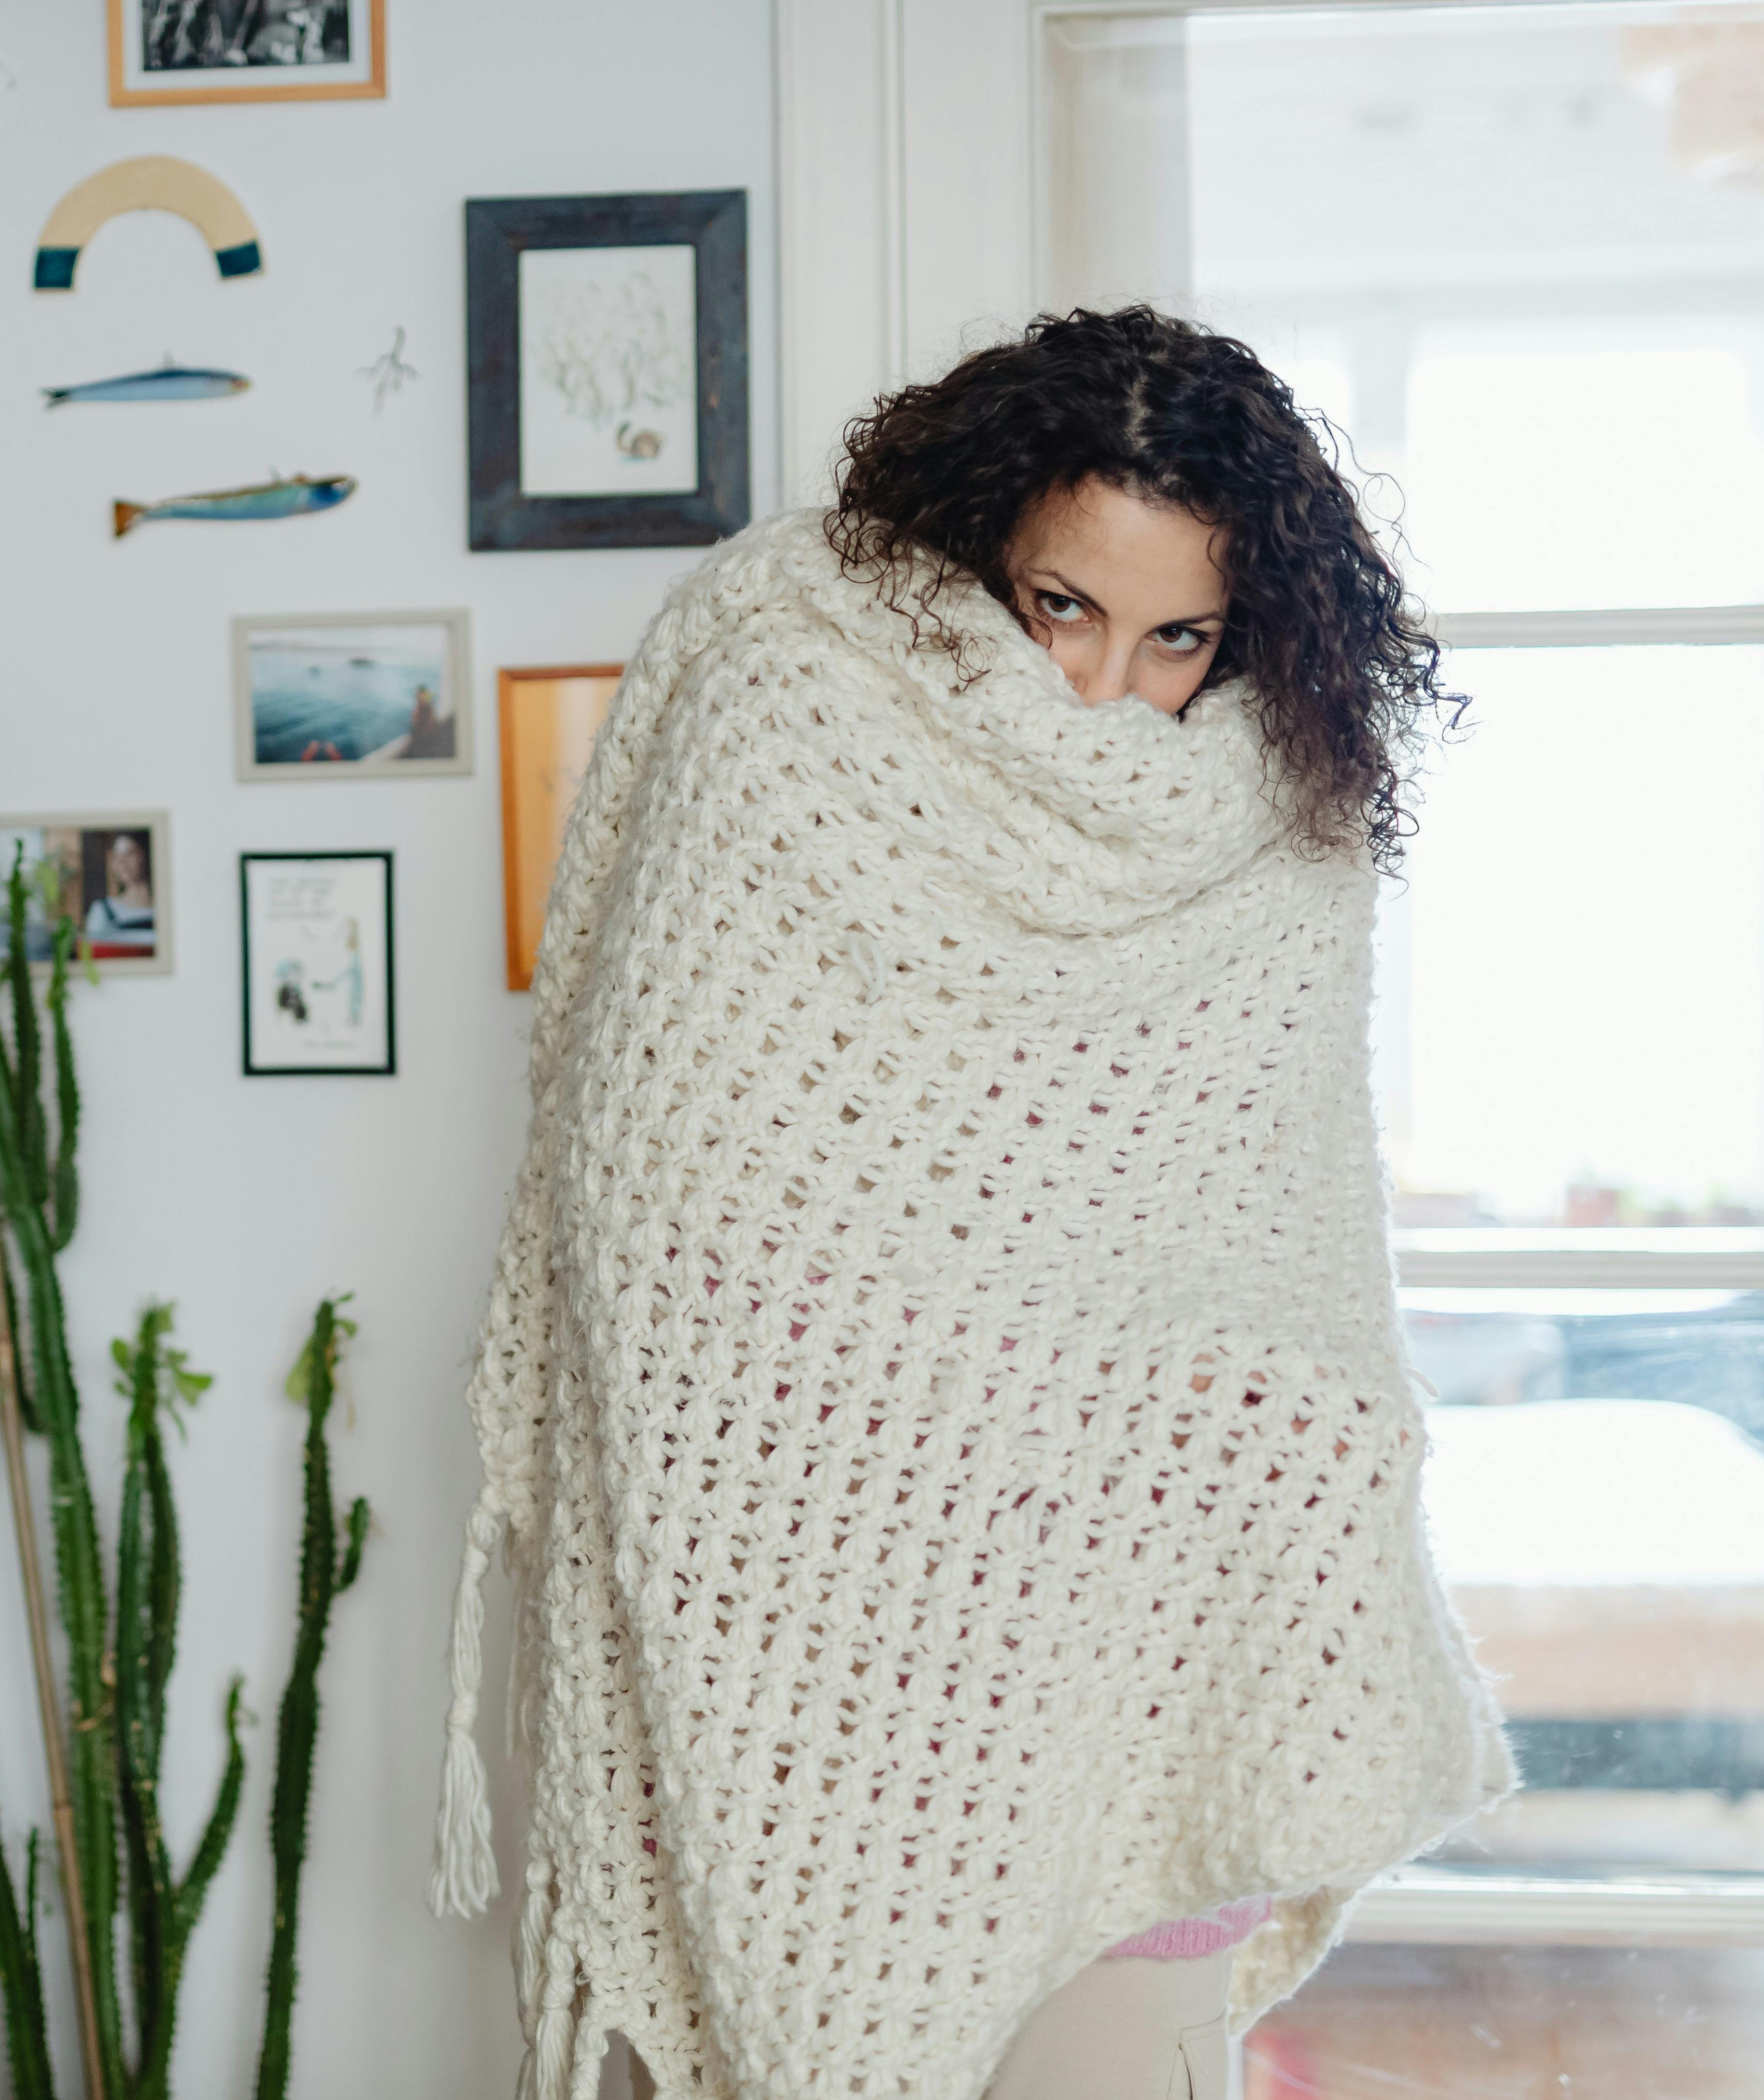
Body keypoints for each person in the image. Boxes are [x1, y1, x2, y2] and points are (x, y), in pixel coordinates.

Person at [431, 308, 1515, 2100]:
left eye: (1180, 638)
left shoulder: (1283, 829)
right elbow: (655, 1221)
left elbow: (1287, 1272)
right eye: (1063, 606)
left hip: (1124, 1776)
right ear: (976, 544)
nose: (1107, 693)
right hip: (788, 1715)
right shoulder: (791, 691)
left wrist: (1271, 1442)